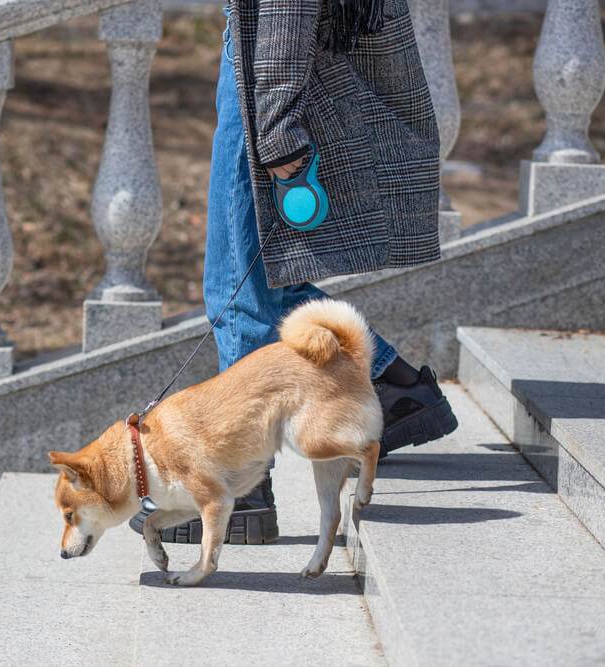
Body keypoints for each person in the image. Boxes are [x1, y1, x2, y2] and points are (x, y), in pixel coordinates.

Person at [131, 0, 458, 545]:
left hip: (265, 62)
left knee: (242, 288)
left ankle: (240, 485)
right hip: (259, 56)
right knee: (256, 279)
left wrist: (278, 121)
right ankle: (391, 388)